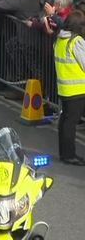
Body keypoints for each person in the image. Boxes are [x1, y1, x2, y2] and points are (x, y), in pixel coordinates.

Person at [52, 10, 85, 166]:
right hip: (77, 90)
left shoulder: (59, 39)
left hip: (64, 88)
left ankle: (65, 153)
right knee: (70, 123)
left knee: (65, 121)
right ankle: (69, 155)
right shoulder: (76, 41)